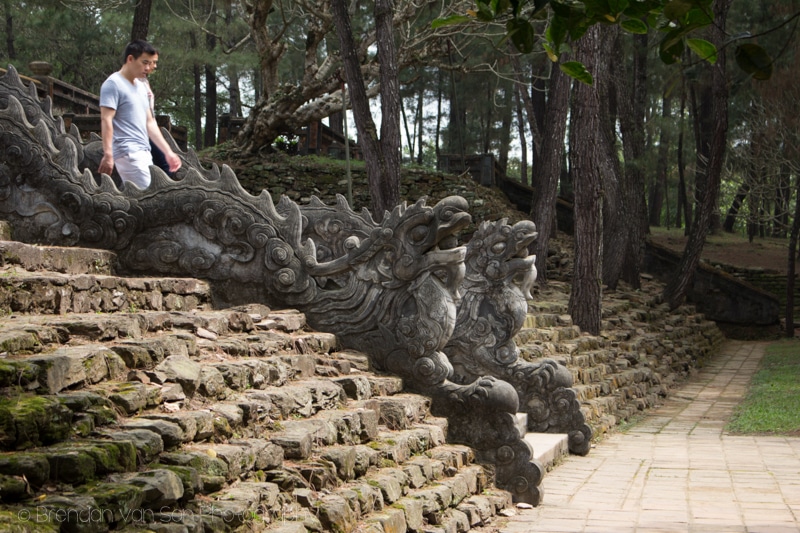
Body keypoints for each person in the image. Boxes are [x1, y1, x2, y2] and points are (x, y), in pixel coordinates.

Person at [98, 40, 181, 188]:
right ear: (130, 59)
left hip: (144, 151)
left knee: (149, 198)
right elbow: (106, 119)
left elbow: (150, 123)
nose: (148, 68)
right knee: (152, 199)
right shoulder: (113, 84)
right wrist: (108, 154)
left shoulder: (142, 87)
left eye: (150, 64)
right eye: (144, 63)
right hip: (128, 152)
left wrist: (168, 152)